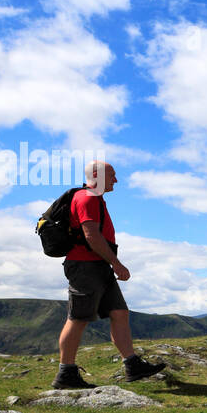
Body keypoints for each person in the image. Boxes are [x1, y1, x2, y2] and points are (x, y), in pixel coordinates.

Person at [53, 161, 166, 389]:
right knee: (78, 318)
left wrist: (109, 264)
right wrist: (116, 263)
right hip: (86, 266)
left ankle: (132, 365)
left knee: (119, 312)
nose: (115, 180)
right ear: (97, 175)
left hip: (98, 265)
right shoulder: (88, 198)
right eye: (112, 175)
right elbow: (91, 235)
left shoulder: (93, 198)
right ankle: (66, 374)